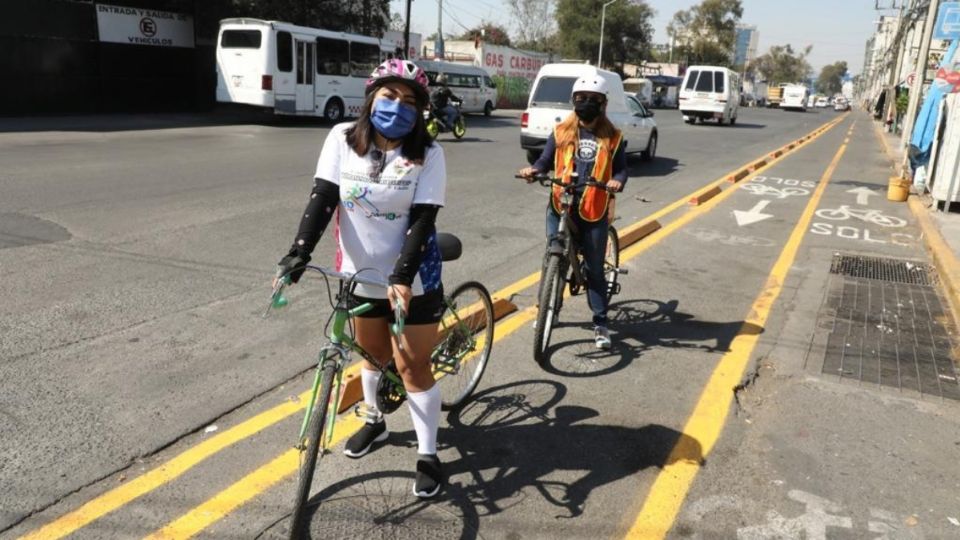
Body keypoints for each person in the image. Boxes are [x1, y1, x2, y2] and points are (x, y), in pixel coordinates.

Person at [274, 59, 447, 499]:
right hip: (358, 273)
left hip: (413, 278)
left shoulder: (429, 153)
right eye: (390, 96)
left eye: (410, 100)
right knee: (370, 353)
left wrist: (403, 276)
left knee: (411, 367)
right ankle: (375, 421)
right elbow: (323, 197)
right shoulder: (340, 139)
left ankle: (428, 453)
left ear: (420, 110)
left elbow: (424, 220)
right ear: (371, 98)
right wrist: (298, 252)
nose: (398, 106)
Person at [518, 75, 627, 350]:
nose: (586, 104)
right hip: (561, 203)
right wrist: (535, 171)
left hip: (593, 207)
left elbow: (622, 169)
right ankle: (548, 309)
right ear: (573, 101)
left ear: (603, 104)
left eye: (593, 100)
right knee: (552, 258)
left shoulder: (613, 137)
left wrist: (618, 181)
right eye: (581, 99)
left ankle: (600, 322)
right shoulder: (560, 132)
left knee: (593, 268)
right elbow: (544, 160)